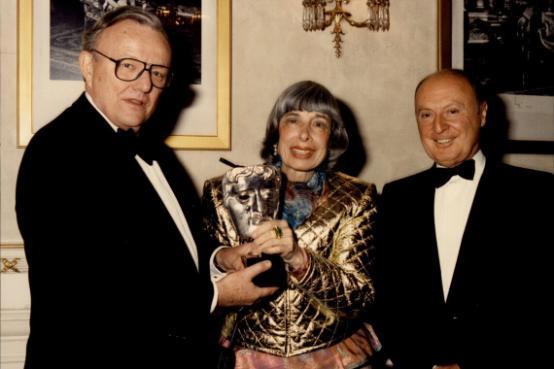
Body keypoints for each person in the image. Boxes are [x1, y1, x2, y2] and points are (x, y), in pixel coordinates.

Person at [15, 6, 273, 369]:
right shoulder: (56, 152)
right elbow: (91, 290)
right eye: (128, 65)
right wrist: (214, 295)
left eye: (157, 72)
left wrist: (219, 259)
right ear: (88, 66)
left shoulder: (157, 152)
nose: (144, 84)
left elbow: (168, 248)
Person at [376, 69, 553, 369]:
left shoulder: (538, 193)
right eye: (426, 115)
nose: (439, 127)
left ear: (482, 114)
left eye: (453, 111)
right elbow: (385, 299)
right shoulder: (395, 197)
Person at [202, 80, 381, 369]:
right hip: (246, 357)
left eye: (319, 124)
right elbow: (199, 281)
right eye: (293, 120)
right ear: (276, 132)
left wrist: (298, 257)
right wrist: (223, 261)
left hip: (334, 357)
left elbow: (359, 298)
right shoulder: (222, 193)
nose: (305, 135)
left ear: (332, 137)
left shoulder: (357, 198)